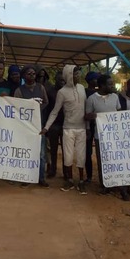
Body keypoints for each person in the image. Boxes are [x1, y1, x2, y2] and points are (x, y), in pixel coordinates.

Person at [41, 65, 88, 195]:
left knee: (81, 156)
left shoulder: (82, 88)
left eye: (79, 74)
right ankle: (70, 180)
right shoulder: (62, 92)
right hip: (68, 128)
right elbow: (54, 112)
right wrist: (46, 127)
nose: (78, 76)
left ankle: (82, 181)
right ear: (68, 76)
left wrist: (88, 127)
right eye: (75, 74)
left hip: (82, 128)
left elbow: (85, 109)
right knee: (67, 156)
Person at [85, 74, 130, 199]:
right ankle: (105, 184)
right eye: (110, 84)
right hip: (100, 136)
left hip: (115, 136)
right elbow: (86, 117)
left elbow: (118, 113)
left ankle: (119, 185)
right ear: (102, 85)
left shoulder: (115, 97)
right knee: (102, 161)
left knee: (117, 160)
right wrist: (92, 119)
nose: (112, 86)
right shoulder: (92, 99)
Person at [14, 65, 49, 188]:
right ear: (24, 76)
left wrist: (37, 109)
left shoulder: (41, 88)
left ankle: (41, 178)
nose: (32, 76)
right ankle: (27, 177)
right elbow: (16, 107)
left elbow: (46, 101)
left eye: (34, 73)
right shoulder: (19, 90)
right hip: (26, 127)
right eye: (29, 74)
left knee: (41, 154)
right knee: (27, 153)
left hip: (39, 126)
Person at [45, 71, 65, 179]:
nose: (62, 82)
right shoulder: (50, 92)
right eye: (60, 80)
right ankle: (52, 169)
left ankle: (66, 172)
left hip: (65, 124)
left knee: (66, 150)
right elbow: (48, 109)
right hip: (53, 125)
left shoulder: (67, 92)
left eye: (63, 80)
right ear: (55, 80)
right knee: (53, 149)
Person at [84, 71, 100, 183]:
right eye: (96, 79)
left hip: (100, 126)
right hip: (89, 126)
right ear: (90, 80)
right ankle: (89, 176)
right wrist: (87, 127)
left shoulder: (101, 93)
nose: (97, 81)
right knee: (87, 152)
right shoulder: (84, 93)